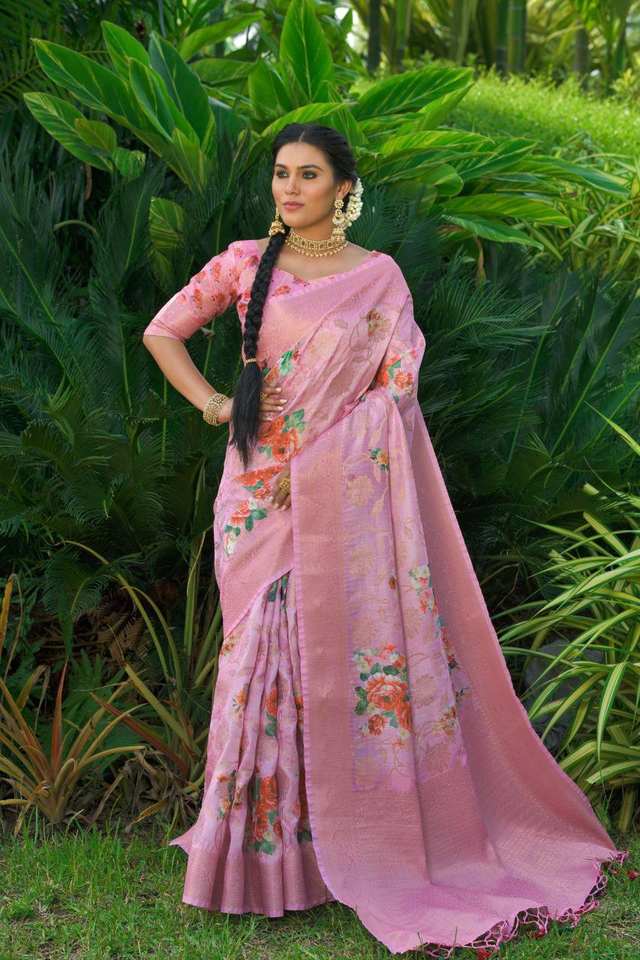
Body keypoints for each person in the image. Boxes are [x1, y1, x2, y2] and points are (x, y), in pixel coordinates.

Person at [142, 122, 628, 956]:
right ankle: (260, 858)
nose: (290, 188)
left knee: (324, 652)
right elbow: (163, 330)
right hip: (254, 494)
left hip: (337, 490)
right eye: (281, 174)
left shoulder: (378, 278)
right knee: (258, 653)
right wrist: (216, 405)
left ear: (344, 188)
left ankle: (333, 850)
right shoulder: (244, 263)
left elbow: (395, 390)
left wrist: (318, 463)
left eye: (309, 175)